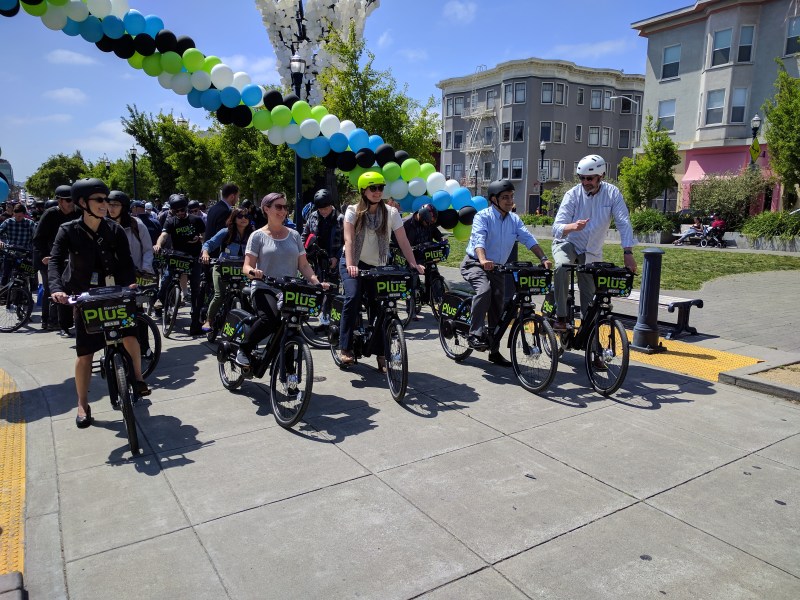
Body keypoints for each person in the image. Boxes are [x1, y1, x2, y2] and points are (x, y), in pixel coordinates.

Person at [48, 178, 150, 429]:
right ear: (83, 203)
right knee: (85, 353)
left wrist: (131, 284)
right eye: (100, 200)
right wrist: (57, 289)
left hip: (114, 291)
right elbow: (55, 261)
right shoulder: (68, 230)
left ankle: (137, 378)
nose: (106, 205)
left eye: (107, 200)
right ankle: (83, 403)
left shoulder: (113, 230)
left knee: (130, 335)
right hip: (85, 296)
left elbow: (126, 262)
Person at [339, 172, 425, 371]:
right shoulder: (353, 211)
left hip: (377, 265)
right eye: (373, 188)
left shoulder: (391, 213)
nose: (378, 192)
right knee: (352, 298)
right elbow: (349, 240)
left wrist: (413, 263)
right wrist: (352, 265)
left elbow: (403, 240)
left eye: (380, 188)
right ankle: (345, 347)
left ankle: (381, 353)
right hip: (353, 261)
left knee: (382, 307)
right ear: (363, 190)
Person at [461, 179, 552, 366]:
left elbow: (528, 238)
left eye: (511, 197)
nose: (510, 201)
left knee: (499, 306)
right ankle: (475, 333)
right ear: (494, 199)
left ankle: (493, 351)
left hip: (498, 268)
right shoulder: (483, 216)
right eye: (505, 197)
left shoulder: (514, 219)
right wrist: (483, 259)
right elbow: (479, 239)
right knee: (485, 291)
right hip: (475, 263)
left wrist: (543, 258)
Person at [235, 193, 329, 367]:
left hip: (289, 290)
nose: (283, 211)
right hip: (265, 287)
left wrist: (316, 282)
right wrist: (253, 272)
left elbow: (304, 266)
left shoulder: (294, 235)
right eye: (278, 207)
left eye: (285, 207)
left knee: (291, 327)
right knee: (269, 319)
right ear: (266, 209)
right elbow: (246, 266)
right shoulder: (257, 236)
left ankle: (289, 375)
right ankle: (244, 348)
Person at [551, 154, 637, 331]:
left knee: (589, 295)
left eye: (589, 178)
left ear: (601, 176)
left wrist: (627, 252)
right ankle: (560, 316)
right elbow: (556, 228)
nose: (585, 182)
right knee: (562, 266)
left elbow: (623, 222)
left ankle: (590, 339)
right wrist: (573, 226)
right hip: (568, 242)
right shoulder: (572, 194)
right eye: (582, 178)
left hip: (592, 250)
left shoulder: (612, 193)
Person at [153, 194, 206, 336]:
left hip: (193, 258)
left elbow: (205, 236)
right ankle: (160, 299)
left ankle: (195, 323)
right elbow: (164, 235)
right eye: (177, 211)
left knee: (196, 289)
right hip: (177, 256)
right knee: (167, 278)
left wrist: (200, 239)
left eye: (183, 210)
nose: (181, 213)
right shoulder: (170, 221)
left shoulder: (196, 220)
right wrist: (158, 245)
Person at [33, 184, 80, 333]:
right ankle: (48, 321)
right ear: (59, 201)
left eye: (73, 200)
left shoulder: (78, 213)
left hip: (71, 257)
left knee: (74, 288)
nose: (71, 203)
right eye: (67, 200)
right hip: (51, 257)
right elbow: (38, 239)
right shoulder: (50, 214)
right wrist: (44, 256)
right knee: (51, 287)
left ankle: (68, 321)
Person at [200, 205, 254, 332]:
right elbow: (209, 244)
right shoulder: (226, 232)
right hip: (222, 268)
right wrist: (205, 253)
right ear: (234, 218)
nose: (244, 219)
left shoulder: (252, 234)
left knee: (247, 295)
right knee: (220, 295)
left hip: (241, 270)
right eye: (240, 216)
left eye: (246, 216)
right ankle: (209, 320)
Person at [106, 191, 154, 274]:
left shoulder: (137, 224)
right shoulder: (102, 225)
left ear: (124, 207)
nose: (111, 208)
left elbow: (148, 250)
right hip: (111, 277)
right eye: (109, 204)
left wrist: (145, 269)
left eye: (115, 205)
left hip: (135, 276)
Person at [301, 188, 343, 277]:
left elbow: (346, 242)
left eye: (326, 208)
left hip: (333, 259)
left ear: (331, 205)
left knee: (332, 287)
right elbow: (304, 236)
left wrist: (337, 257)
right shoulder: (312, 216)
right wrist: (303, 254)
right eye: (320, 209)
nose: (323, 211)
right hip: (315, 259)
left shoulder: (340, 219)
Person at [0, 202, 36, 284]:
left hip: (25, 254)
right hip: (11, 253)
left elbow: (36, 238)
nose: (17, 218)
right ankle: (4, 294)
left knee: (32, 272)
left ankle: (30, 291)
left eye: (19, 216)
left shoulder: (30, 223)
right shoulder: (8, 222)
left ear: (24, 214)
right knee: (5, 274)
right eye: (15, 215)